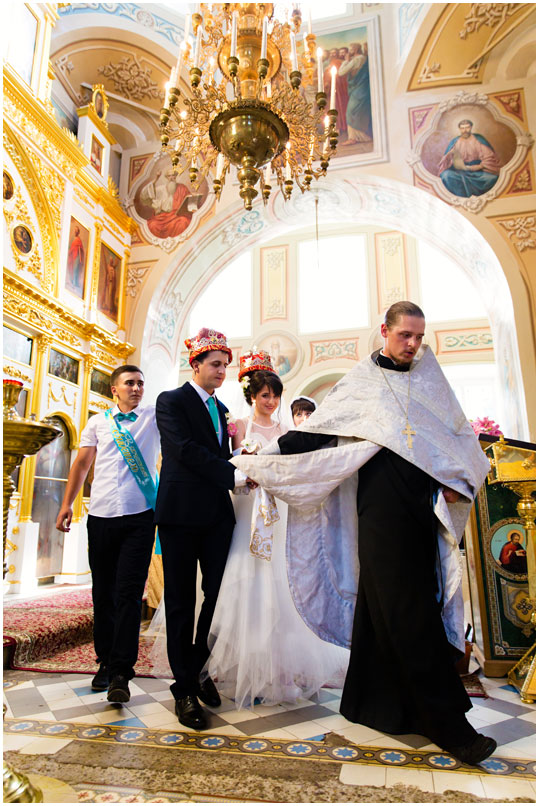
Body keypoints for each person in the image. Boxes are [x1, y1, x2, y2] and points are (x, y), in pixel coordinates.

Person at [234, 302, 496, 766]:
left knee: (389, 607)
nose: (413, 344)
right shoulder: (362, 383)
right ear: (384, 331)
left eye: (419, 336)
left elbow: (457, 437)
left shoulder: (430, 379)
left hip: (424, 512)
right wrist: (262, 459)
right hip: (379, 514)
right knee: (408, 611)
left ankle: (370, 702)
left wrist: (461, 480)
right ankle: (448, 725)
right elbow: (316, 434)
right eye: (405, 335)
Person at [200, 351, 349, 707]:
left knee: (282, 586)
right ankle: (242, 667)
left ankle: (281, 671)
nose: (271, 401)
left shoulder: (286, 431)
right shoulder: (237, 426)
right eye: (265, 395)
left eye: (276, 395)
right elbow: (229, 463)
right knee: (245, 583)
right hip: (246, 510)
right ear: (252, 396)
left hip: (277, 513)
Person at [154, 328, 255, 730]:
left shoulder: (223, 409)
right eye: (215, 364)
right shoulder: (171, 401)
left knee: (219, 596)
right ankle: (183, 690)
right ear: (194, 364)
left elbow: (219, 455)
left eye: (225, 365)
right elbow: (184, 450)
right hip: (180, 514)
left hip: (216, 516)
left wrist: (245, 460)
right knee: (181, 600)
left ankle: (199, 667)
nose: (222, 371)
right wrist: (233, 474)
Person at [56, 365, 160, 703]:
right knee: (103, 593)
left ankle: (121, 673)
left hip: (140, 517)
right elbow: (82, 465)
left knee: (128, 595)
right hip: (101, 516)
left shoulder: (152, 418)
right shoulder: (97, 422)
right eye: (129, 383)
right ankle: (104, 661)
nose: (136, 388)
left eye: (140, 383)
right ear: (114, 389)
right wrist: (67, 504)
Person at [438, 119, 501, 198]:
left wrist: (477, 167)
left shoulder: (478, 139)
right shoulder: (455, 142)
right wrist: (450, 157)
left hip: (478, 172)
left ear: (471, 127)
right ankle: (461, 197)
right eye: (462, 128)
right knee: (446, 175)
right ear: (459, 129)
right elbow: (446, 160)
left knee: (492, 179)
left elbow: (489, 157)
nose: (465, 130)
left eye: (467, 127)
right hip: (459, 173)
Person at [338, 42, 372, 144]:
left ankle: (355, 138)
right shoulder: (360, 58)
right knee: (357, 112)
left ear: (356, 50)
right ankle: (355, 137)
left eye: (351, 49)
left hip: (359, 90)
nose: (349, 52)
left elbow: (341, 72)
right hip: (360, 89)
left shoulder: (358, 59)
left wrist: (346, 61)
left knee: (351, 112)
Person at [67, 225, 85, 295]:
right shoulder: (73, 239)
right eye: (75, 230)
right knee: (73, 269)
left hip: (77, 257)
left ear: (78, 232)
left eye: (76, 230)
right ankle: (72, 281)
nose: (75, 231)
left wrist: (80, 258)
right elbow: (72, 248)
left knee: (75, 269)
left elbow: (81, 250)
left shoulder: (78, 240)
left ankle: (74, 283)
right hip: (73, 257)